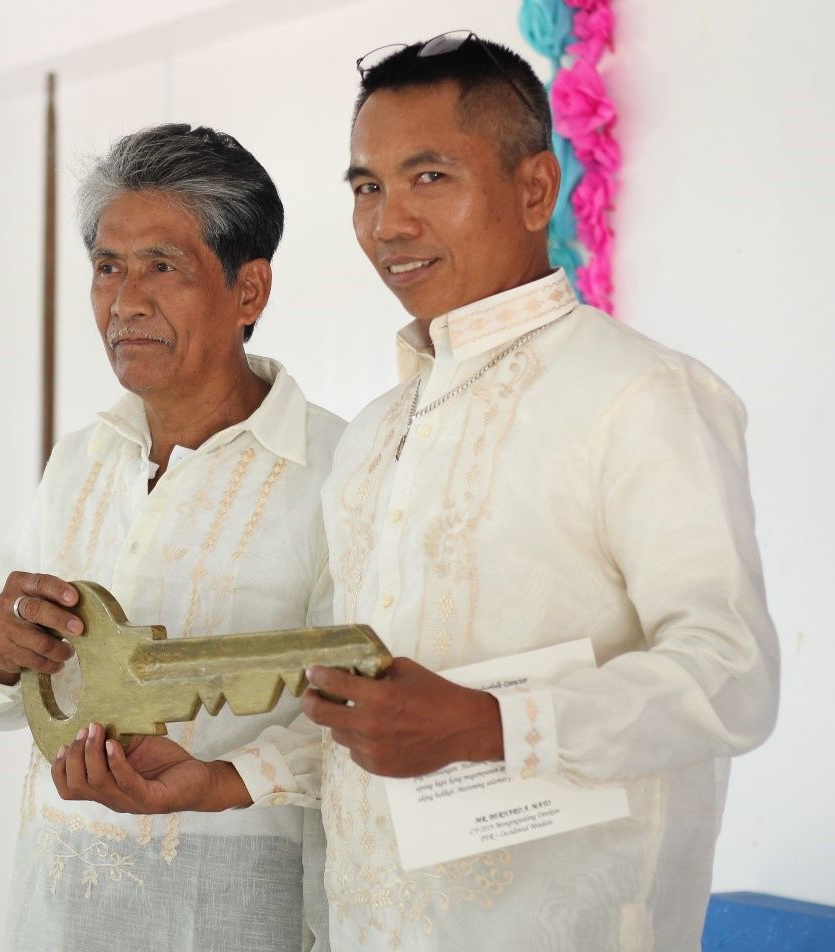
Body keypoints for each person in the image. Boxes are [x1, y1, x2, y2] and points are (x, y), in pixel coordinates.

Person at [55, 34, 779, 952]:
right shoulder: (374, 438)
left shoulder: (637, 395)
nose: (388, 222)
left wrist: (491, 723)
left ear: (534, 189)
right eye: (366, 188)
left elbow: (731, 673)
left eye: (428, 177)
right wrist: (223, 780)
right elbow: (366, 714)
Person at [0, 123, 342, 952]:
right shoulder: (82, 461)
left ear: (248, 291)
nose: (125, 302)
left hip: (243, 917)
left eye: (163, 265)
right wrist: (2, 649)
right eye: (107, 268)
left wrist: (228, 781)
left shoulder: (339, 469)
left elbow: (373, 714)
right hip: (57, 911)